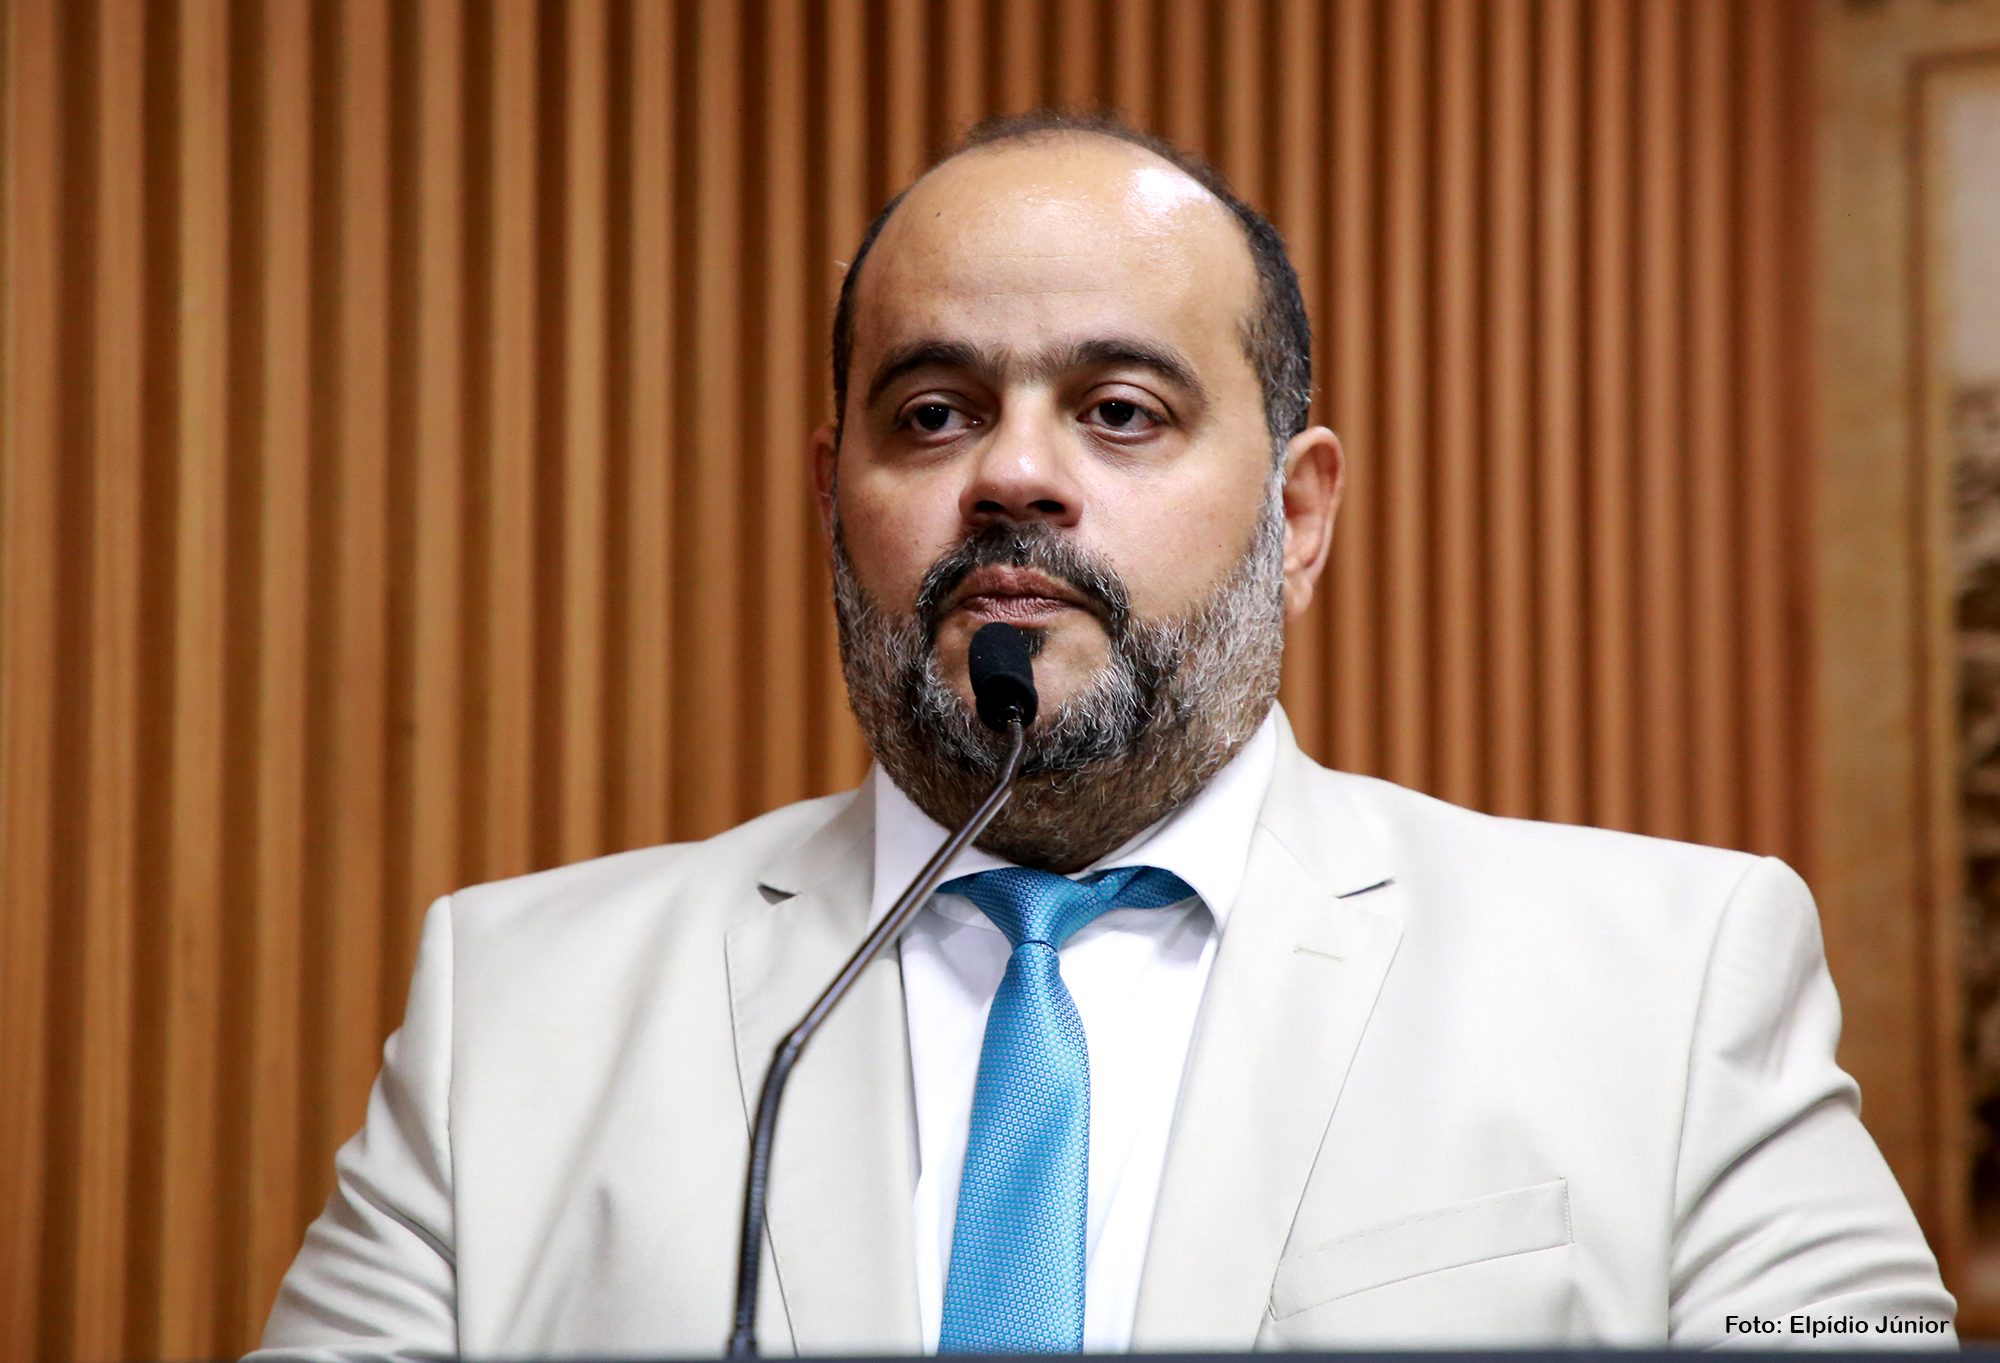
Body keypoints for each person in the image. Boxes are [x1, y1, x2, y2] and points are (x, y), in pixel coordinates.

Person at [253, 112, 1955, 1358]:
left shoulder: (1671, 976)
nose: (1014, 473)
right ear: (834, 500)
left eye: (1121, 410)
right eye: (934, 412)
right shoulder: (515, 1007)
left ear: (1297, 518)